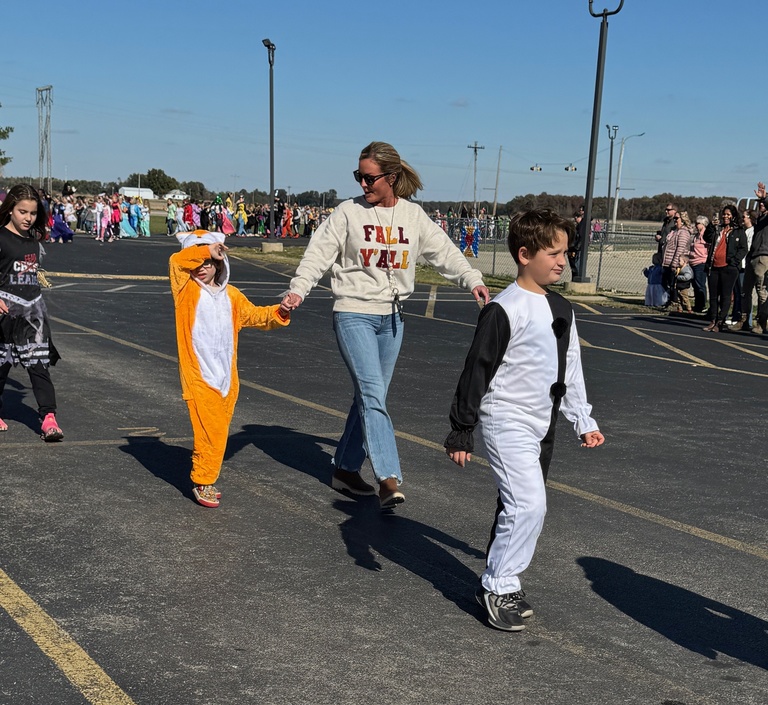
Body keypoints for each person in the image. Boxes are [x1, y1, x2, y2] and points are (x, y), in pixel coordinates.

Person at [280, 140, 490, 510]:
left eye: (369, 178)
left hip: (393, 318)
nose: (362, 184)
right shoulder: (348, 213)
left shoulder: (413, 217)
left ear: (391, 178)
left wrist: (472, 280)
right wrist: (299, 289)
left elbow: (444, 252)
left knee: (370, 395)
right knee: (373, 393)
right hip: (353, 313)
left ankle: (344, 467)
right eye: (359, 177)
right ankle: (388, 478)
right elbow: (318, 254)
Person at [443, 209, 604, 632]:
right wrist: (462, 430)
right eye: (553, 253)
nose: (562, 261)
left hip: (542, 423)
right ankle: (498, 584)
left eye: (565, 252)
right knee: (529, 503)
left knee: (516, 504)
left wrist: (582, 419)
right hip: (506, 419)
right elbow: (476, 369)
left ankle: (502, 577)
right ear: (524, 254)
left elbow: (569, 369)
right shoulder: (503, 309)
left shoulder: (563, 308)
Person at [169, 230, 291, 507]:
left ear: (220, 265)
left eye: (209, 264)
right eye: (198, 263)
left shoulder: (232, 296)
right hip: (199, 376)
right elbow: (177, 262)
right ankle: (203, 481)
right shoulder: (184, 291)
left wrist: (280, 312)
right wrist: (206, 250)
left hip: (227, 378)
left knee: (219, 431)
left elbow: (255, 316)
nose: (202, 269)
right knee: (209, 431)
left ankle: (207, 472)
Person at [0, 184, 64, 440]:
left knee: (38, 364)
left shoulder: (34, 240)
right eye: (22, 211)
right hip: (4, 313)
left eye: (33, 213)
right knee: (1, 366)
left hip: (32, 313)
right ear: (10, 209)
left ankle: (48, 417)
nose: (28, 218)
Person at [704, 204, 748, 332]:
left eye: (728, 214)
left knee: (725, 296)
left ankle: (720, 321)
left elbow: (743, 248)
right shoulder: (718, 229)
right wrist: (711, 226)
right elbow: (707, 237)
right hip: (714, 266)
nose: (725, 216)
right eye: (724, 214)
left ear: (733, 216)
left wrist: (734, 262)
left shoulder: (738, 231)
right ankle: (713, 320)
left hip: (729, 268)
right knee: (713, 296)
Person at [740, 184, 768, 335]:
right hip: (753, 255)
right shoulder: (759, 220)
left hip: (764, 256)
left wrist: (764, 197)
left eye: (763, 203)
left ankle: (761, 322)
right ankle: (744, 320)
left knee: (761, 290)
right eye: (759, 203)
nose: (761, 205)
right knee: (746, 290)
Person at [661, 210, 692, 310]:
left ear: (682, 220)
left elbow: (680, 249)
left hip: (675, 262)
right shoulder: (674, 231)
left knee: (673, 284)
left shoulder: (683, 232)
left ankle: (675, 303)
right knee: (669, 283)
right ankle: (671, 301)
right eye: (674, 218)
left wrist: (674, 263)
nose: (674, 220)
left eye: (676, 218)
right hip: (667, 261)